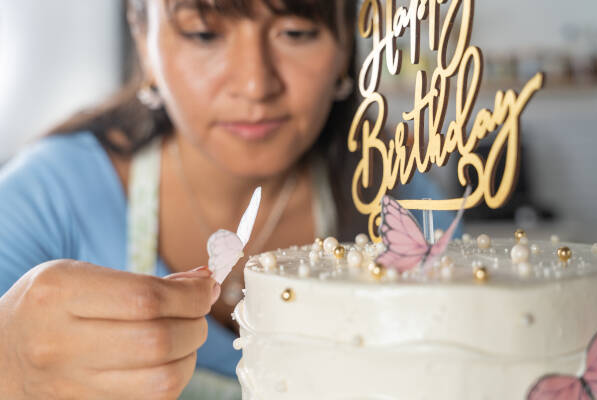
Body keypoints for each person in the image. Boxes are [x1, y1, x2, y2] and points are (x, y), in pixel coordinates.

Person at [0, 0, 455, 399]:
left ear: (344, 51)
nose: (256, 84)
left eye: (295, 32)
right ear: (144, 41)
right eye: (205, 33)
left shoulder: (405, 209)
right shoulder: (44, 197)